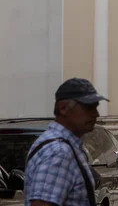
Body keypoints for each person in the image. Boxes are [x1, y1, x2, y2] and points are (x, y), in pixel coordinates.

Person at [25, 77, 109, 206]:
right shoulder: (58, 152)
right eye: (88, 107)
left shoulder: (62, 146)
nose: (96, 114)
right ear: (63, 108)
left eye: (95, 107)